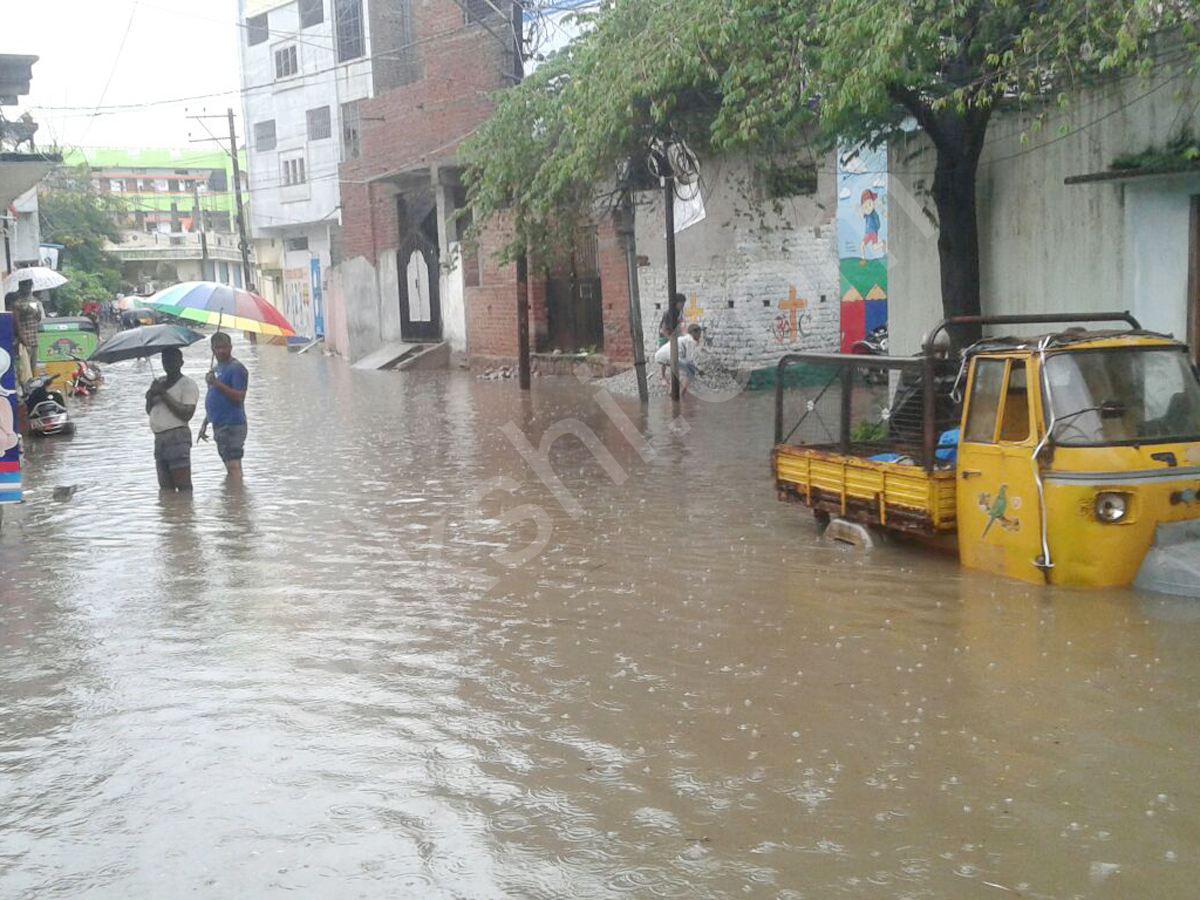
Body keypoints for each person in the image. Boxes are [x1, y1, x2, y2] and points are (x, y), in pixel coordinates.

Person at [146, 347, 199, 492]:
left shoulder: (187, 384)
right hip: (159, 438)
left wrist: (163, 393)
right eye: (165, 360)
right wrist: (150, 396)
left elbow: (187, 413)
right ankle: (172, 513)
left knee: (183, 486)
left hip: (177, 437)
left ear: (181, 362)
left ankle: (185, 513)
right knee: (165, 489)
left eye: (172, 359)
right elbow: (149, 410)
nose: (168, 363)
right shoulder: (159, 382)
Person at [198, 332, 249, 480]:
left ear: (231, 347)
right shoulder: (215, 369)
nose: (221, 351)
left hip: (232, 424)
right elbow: (214, 399)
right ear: (212, 349)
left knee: (234, 466)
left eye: (224, 347)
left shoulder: (236, 368)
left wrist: (216, 383)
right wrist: (205, 423)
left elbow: (239, 397)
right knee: (229, 466)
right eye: (217, 348)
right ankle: (234, 497)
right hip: (219, 423)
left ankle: (237, 498)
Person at [653, 323, 704, 397]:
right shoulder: (690, 340)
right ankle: (682, 394)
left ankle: (671, 392)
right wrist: (699, 370)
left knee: (676, 369)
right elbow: (690, 361)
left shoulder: (684, 338)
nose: (700, 336)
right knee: (691, 371)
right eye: (699, 334)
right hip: (670, 357)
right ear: (693, 333)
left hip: (660, 356)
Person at [13, 279, 42, 382]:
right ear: (21, 287)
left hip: (34, 339)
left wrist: (37, 311)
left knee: (33, 368)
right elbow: (17, 324)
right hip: (24, 341)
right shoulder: (18, 304)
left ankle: (32, 392)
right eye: (26, 285)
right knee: (25, 371)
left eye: (30, 285)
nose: (29, 287)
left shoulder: (35, 301)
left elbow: (38, 319)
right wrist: (24, 341)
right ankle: (26, 392)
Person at [657, 293, 687, 384]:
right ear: (677, 303)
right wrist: (669, 339)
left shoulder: (679, 312)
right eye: (681, 303)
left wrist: (683, 334)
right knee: (664, 356)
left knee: (674, 357)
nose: (683, 305)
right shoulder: (668, 313)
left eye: (683, 303)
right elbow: (663, 328)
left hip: (673, 335)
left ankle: (673, 377)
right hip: (664, 335)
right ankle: (662, 377)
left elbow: (681, 324)